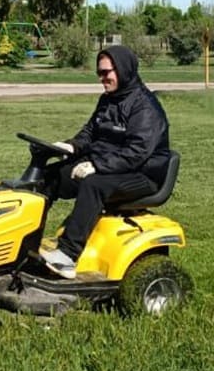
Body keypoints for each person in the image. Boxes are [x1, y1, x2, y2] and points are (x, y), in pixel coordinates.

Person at [38, 45, 171, 279]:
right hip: (112, 166)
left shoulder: (145, 107)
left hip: (143, 174)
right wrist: (72, 146)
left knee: (93, 184)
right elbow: (90, 132)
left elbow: (136, 153)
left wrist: (97, 166)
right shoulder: (108, 100)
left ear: (124, 69)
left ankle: (68, 255)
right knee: (50, 176)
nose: (102, 78)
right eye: (99, 73)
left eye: (106, 72)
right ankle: (27, 241)